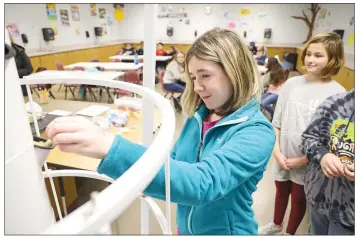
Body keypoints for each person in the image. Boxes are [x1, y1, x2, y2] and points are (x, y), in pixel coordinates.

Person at [45, 28, 276, 235]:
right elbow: (172, 163)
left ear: (236, 72)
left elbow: (202, 183)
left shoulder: (256, 132)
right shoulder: (201, 116)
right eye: (193, 77)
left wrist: (109, 146)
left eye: (205, 75)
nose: (196, 86)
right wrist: (144, 179)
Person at [259, 32, 346, 235]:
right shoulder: (291, 84)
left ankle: (289, 232)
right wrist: (277, 152)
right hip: (282, 156)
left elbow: (331, 140)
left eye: (318, 55)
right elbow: (277, 122)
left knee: (299, 198)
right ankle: (276, 225)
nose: (310, 59)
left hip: (309, 162)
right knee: (281, 192)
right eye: (308, 53)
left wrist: (302, 160)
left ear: (332, 59)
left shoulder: (337, 93)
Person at [300, 89, 354, 235]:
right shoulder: (333, 104)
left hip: (351, 216)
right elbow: (308, 138)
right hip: (319, 199)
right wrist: (323, 156)